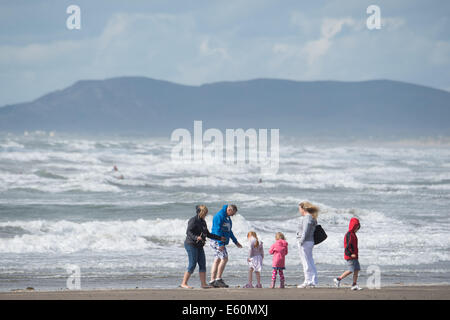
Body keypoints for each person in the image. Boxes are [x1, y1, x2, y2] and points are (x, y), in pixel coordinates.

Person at [181, 205, 226, 289]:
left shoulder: (203, 222)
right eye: (204, 213)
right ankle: (184, 283)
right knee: (192, 264)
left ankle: (203, 284)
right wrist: (196, 237)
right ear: (200, 212)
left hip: (199, 245)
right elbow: (188, 232)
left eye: (206, 213)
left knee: (202, 264)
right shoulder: (193, 220)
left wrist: (219, 238)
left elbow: (208, 234)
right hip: (191, 244)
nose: (205, 215)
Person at [209, 204, 243, 288]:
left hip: (220, 241)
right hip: (216, 241)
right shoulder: (219, 216)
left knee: (217, 259)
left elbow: (229, 231)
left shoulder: (228, 218)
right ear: (229, 210)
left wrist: (236, 242)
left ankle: (212, 280)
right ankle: (218, 279)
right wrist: (220, 243)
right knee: (224, 258)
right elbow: (217, 230)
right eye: (233, 213)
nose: (233, 215)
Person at [334, 217, 363, 290]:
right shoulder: (349, 234)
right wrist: (350, 254)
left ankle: (354, 284)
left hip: (354, 256)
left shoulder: (353, 234)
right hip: (350, 256)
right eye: (356, 228)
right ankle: (338, 279)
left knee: (356, 269)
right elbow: (347, 246)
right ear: (353, 226)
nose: (357, 230)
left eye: (358, 228)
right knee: (351, 270)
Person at [296, 201, 319, 288]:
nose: (299, 211)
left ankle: (307, 281)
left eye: (299, 209)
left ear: (303, 209)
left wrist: (301, 241)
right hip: (309, 241)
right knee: (309, 261)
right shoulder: (311, 217)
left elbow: (305, 231)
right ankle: (313, 280)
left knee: (306, 262)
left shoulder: (307, 218)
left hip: (305, 242)